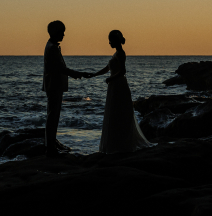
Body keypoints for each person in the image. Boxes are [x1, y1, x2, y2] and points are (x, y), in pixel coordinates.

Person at [89, 30, 154, 153]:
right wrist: (94, 74)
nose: (109, 43)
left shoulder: (121, 54)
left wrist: (111, 78)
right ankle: (114, 143)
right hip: (114, 85)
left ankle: (120, 144)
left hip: (119, 85)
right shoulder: (115, 54)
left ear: (116, 41)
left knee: (119, 112)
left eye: (111, 40)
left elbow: (123, 71)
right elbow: (107, 68)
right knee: (113, 112)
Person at [42, 20, 90, 157]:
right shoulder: (52, 48)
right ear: (56, 32)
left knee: (52, 115)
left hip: (53, 85)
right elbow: (61, 69)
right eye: (62, 32)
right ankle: (50, 146)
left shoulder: (50, 46)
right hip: (54, 85)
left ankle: (50, 143)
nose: (64, 35)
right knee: (53, 116)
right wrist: (78, 74)